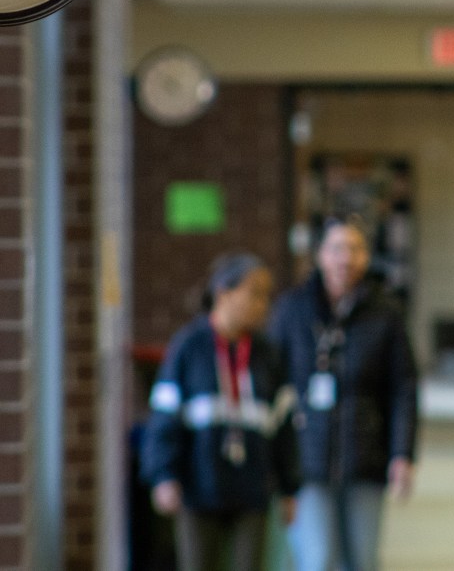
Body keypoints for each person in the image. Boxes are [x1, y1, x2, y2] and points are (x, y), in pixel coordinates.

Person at [268, 217, 419, 571]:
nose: (345, 259)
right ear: (320, 256)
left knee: (362, 561)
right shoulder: (293, 310)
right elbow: (272, 382)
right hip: (307, 460)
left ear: (366, 258)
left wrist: (402, 454)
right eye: (336, 249)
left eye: (354, 249)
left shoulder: (386, 314)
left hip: (366, 455)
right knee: (318, 560)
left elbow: (404, 388)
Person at [141, 252, 301, 571]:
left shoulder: (267, 354)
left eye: (266, 296)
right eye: (254, 294)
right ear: (223, 293)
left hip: (251, 489)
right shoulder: (188, 347)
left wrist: (289, 487)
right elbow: (163, 419)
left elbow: (285, 425)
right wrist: (164, 475)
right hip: (199, 488)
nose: (263, 305)